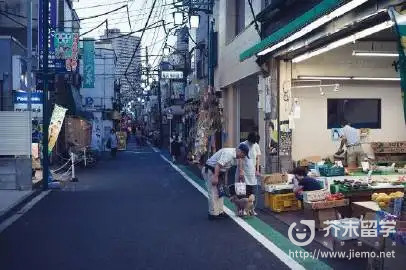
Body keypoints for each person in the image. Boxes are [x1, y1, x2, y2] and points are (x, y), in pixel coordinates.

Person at [202, 144, 249, 220]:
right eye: (243, 154)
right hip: (211, 171)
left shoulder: (235, 157)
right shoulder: (229, 154)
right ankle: (213, 214)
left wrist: (224, 182)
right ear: (240, 151)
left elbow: (226, 168)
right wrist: (215, 177)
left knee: (220, 192)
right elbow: (218, 165)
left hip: (218, 172)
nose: (243, 157)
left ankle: (219, 212)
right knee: (213, 192)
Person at [237, 132, 262, 215]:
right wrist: (240, 171)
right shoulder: (243, 144)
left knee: (253, 191)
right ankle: (241, 210)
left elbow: (258, 158)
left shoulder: (256, 145)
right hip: (243, 170)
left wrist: (257, 170)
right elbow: (240, 158)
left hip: (252, 171)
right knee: (243, 191)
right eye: (252, 142)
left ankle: (251, 209)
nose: (253, 143)